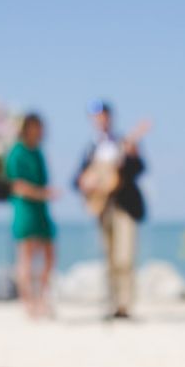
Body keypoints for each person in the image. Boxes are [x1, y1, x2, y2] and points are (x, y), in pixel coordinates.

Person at [74, 100, 148, 319]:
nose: (101, 120)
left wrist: (131, 157)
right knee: (109, 257)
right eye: (97, 117)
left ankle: (125, 305)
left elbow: (140, 169)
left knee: (125, 256)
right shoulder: (91, 148)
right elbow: (78, 179)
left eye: (104, 116)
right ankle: (112, 303)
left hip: (124, 205)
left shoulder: (123, 143)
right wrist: (86, 184)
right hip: (102, 208)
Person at [6, 113, 59, 318]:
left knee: (48, 255)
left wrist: (44, 194)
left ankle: (42, 298)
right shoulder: (17, 152)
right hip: (25, 208)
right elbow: (16, 185)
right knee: (26, 257)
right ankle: (28, 302)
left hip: (41, 209)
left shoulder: (37, 152)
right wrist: (42, 193)